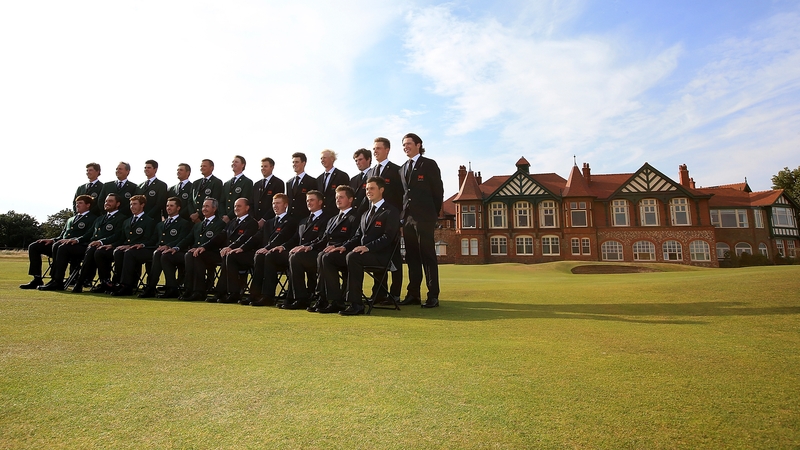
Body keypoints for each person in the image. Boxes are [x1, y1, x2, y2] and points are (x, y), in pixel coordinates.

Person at [319, 176, 400, 315]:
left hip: (381, 256)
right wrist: (343, 247)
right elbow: (357, 237)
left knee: (353, 257)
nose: (368, 191)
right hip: (362, 254)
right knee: (328, 257)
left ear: (381, 189)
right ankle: (336, 301)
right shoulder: (365, 214)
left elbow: (388, 237)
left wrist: (368, 247)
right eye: (367, 189)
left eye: (372, 188)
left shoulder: (391, 211)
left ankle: (356, 304)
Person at [287, 185, 359, 312]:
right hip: (326, 252)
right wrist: (309, 246)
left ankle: (334, 301)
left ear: (350, 199)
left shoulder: (356, 217)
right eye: (337, 197)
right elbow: (323, 239)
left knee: (325, 257)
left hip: (344, 253)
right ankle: (302, 297)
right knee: (296, 257)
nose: (338, 200)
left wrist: (339, 246)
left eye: (341, 197)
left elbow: (356, 238)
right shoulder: (333, 219)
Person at [254, 190, 329, 308]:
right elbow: (295, 239)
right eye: (307, 200)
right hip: (297, 253)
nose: (309, 203)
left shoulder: (327, 219)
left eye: (312, 200)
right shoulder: (304, 220)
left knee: (295, 258)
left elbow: (323, 238)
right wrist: (282, 246)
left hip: (314, 253)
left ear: (320, 202)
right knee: (271, 255)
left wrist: (308, 246)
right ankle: (268, 296)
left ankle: (299, 298)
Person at [399, 133, 444, 308]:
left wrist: (433, 214)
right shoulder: (402, 168)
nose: (405, 147)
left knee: (428, 256)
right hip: (408, 219)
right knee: (412, 257)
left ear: (418, 145)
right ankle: (413, 294)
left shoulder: (429, 164)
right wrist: (402, 218)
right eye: (403, 145)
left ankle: (433, 295)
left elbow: (438, 191)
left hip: (425, 218)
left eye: (409, 143)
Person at [22, 195, 97, 290]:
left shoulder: (93, 219)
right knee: (34, 246)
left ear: (88, 205)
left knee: (61, 247)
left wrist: (74, 240)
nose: (77, 205)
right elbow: (62, 236)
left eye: (80, 203)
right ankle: (37, 278)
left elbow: (89, 235)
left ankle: (57, 281)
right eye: (76, 203)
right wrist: (52, 240)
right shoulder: (71, 219)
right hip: (61, 245)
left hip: (78, 247)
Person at [247, 194, 299, 306]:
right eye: (273, 203)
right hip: (268, 254)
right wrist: (240, 248)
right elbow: (257, 237)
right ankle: (255, 294)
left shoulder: (291, 221)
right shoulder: (269, 222)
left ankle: (268, 296)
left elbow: (280, 237)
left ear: (285, 205)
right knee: (259, 256)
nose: (275, 206)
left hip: (282, 254)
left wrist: (266, 248)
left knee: (268, 255)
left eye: (278, 203)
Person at [71, 193, 127, 293]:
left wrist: (101, 242)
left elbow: (117, 235)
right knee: (91, 249)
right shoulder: (99, 219)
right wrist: (77, 240)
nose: (107, 203)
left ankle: (81, 282)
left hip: (111, 247)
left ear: (117, 204)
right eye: (106, 201)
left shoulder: (122, 218)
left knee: (95, 251)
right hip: (93, 247)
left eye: (110, 201)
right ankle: (103, 282)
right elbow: (89, 234)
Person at [138, 197, 193, 298]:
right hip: (159, 251)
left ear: (178, 208)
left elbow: (182, 239)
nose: (168, 208)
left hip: (176, 252)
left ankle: (158, 287)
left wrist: (168, 246)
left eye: (171, 206)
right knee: (158, 253)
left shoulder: (184, 223)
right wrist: (143, 244)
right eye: (167, 205)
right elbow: (153, 239)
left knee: (161, 254)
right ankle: (156, 288)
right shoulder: (160, 224)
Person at [371, 137, 404, 302]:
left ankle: (395, 294)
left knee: (395, 258)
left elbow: (401, 197)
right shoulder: (371, 172)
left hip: (391, 220)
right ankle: (379, 293)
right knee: (377, 255)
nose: (375, 151)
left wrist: (401, 220)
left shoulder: (396, 171)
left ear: (387, 150)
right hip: (374, 221)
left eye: (378, 148)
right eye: (374, 148)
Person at [175, 198, 226, 301]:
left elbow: (216, 241)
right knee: (189, 254)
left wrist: (201, 248)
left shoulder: (219, 223)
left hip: (213, 253)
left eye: (207, 206)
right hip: (198, 253)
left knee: (197, 255)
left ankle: (199, 291)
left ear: (214, 208)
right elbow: (188, 239)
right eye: (203, 206)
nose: (204, 209)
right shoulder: (198, 225)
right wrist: (176, 247)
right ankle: (189, 289)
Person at [211, 198, 260, 303]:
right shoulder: (232, 222)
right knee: (226, 256)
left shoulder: (252, 223)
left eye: (239, 206)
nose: (236, 208)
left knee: (229, 256)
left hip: (245, 254)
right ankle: (221, 292)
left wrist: (231, 247)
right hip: (230, 253)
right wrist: (203, 246)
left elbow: (244, 238)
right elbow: (221, 236)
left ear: (247, 208)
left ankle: (233, 293)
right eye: (235, 206)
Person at [109, 195, 158, 296]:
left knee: (129, 253)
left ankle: (127, 286)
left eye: (135, 204)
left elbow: (150, 239)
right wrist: (113, 245)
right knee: (118, 252)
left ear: (142, 205)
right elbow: (122, 239)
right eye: (131, 204)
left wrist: (138, 245)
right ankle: (118, 282)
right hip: (130, 249)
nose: (132, 206)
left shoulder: (149, 221)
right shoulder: (127, 221)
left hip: (143, 249)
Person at [252, 157, 284, 227]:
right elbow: (252, 202)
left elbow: (277, 204)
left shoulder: (278, 183)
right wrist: (253, 219)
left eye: (265, 166)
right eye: (262, 166)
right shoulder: (256, 184)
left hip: (270, 222)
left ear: (272, 167)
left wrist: (264, 219)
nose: (263, 168)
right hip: (255, 222)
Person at [221, 155, 253, 223]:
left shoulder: (247, 182)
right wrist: (223, 216)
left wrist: (229, 216)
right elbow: (222, 201)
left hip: (238, 219)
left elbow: (244, 201)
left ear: (242, 165)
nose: (233, 164)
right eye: (233, 162)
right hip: (224, 220)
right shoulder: (226, 184)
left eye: (236, 162)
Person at [191, 159, 223, 223]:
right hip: (193, 219)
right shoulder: (196, 183)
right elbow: (190, 200)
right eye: (201, 166)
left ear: (211, 168)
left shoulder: (217, 182)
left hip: (208, 218)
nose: (202, 168)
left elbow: (215, 200)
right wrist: (192, 215)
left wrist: (198, 214)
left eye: (204, 166)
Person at [285, 152, 317, 218]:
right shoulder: (289, 183)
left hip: (304, 218)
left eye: (297, 162)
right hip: (290, 220)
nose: (294, 164)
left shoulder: (312, 181)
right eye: (293, 162)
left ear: (303, 163)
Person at [350, 148, 372, 215]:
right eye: (356, 161)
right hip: (354, 215)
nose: (357, 163)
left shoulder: (374, 175)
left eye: (360, 159)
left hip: (368, 213)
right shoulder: (353, 179)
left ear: (368, 159)